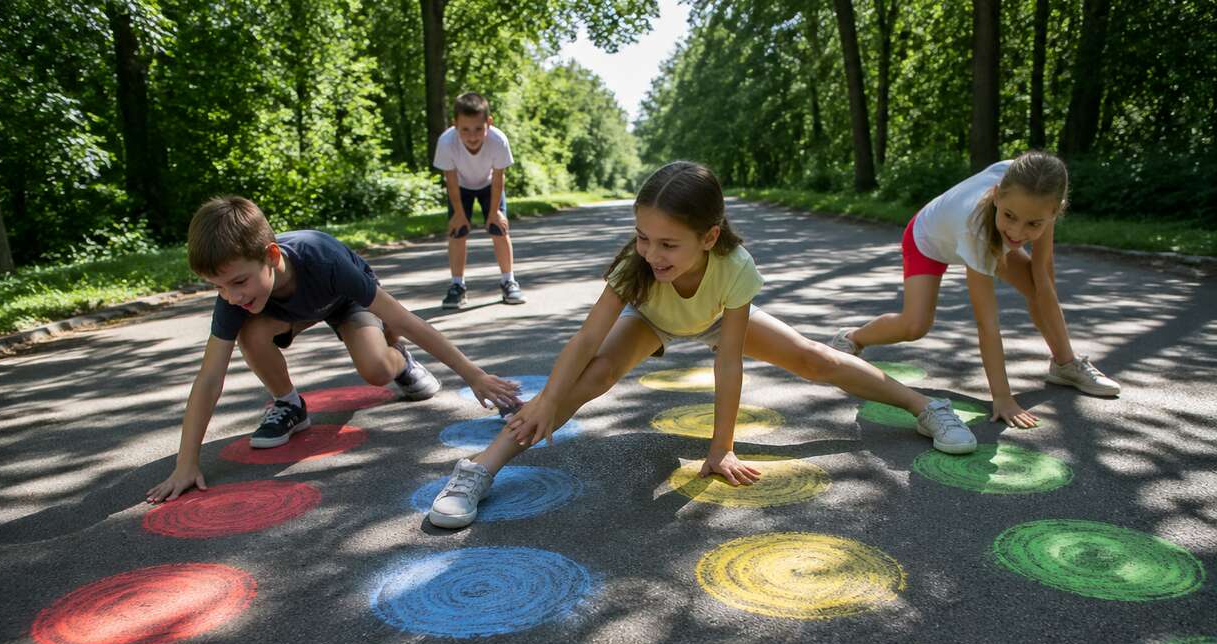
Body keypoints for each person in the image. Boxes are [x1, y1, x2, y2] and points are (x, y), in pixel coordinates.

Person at [426, 161, 978, 529]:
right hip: (653, 318)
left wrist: (721, 448)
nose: (650, 251)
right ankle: (479, 468)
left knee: (815, 359)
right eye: (643, 237)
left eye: (668, 243)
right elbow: (588, 337)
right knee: (588, 378)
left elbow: (730, 362)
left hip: (714, 317)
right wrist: (547, 398)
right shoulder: (637, 267)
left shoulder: (733, 267)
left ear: (709, 237)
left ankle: (926, 406)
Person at [146, 196, 520, 503]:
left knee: (375, 370)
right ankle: (289, 404)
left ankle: (399, 360)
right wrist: (186, 462)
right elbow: (210, 376)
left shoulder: (323, 259)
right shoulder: (237, 296)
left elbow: (404, 318)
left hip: (344, 302)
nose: (231, 295)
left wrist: (473, 374)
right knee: (250, 334)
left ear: (272, 256)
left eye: (238, 281)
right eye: (219, 287)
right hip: (286, 312)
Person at [827, 151, 1120, 428]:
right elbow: (986, 323)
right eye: (1010, 216)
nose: (1018, 233)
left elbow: (1043, 279)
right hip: (927, 239)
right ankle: (852, 338)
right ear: (996, 195)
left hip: (987, 233)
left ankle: (1065, 365)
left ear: (1055, 211)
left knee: (1037, 286)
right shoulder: (978, 228)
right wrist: (1003, 397)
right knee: (915, 325)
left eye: (1034, 224)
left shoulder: (1038, 188)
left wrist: (1060, 345)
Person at [433, 92, 523, 310]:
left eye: (478, 129)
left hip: (489, 185)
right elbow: (451, 180)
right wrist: (459, 214)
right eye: (465, 129)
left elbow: (499, 176)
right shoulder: (446, 142)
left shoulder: (498, 140)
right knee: (457, 230)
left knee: (498, 228)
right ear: (455, 125)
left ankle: (508, 280)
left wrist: (494, 213)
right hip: (460, 186)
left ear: (488, 124)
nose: (472, 136)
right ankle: (457, 286)